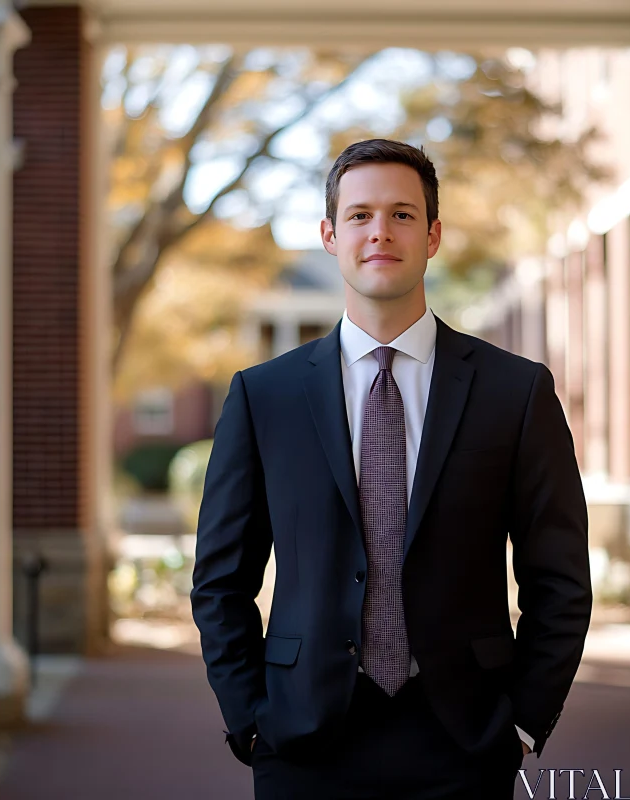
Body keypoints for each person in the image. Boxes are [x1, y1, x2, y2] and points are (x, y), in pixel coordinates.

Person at [191, 138, 592, 799]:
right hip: (303, 740)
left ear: (433, 236)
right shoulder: (264, 397)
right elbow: (220, 578)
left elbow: (560, 576)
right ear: (329, 234)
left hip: (463, 739)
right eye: (360, 215)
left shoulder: (514, 393)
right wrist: (249, 716)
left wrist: (523, 719)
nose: (381, 231)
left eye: (403, 214)